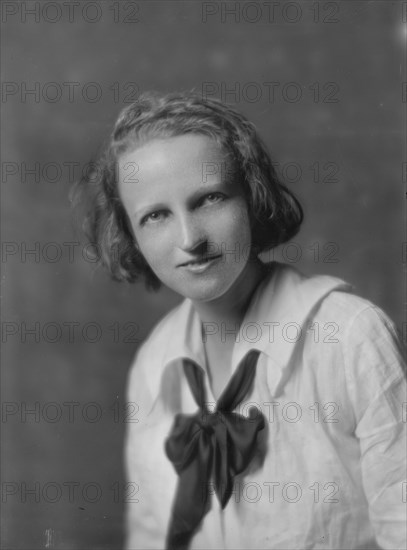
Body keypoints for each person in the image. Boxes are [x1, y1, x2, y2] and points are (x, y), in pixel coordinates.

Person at [75, 92, 406, 550]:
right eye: (156, 216)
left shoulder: (350, 336)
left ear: (251, 196)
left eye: (209, 198)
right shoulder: (155, 363)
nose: (190, 238)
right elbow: (150, 536)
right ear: (130, 236)